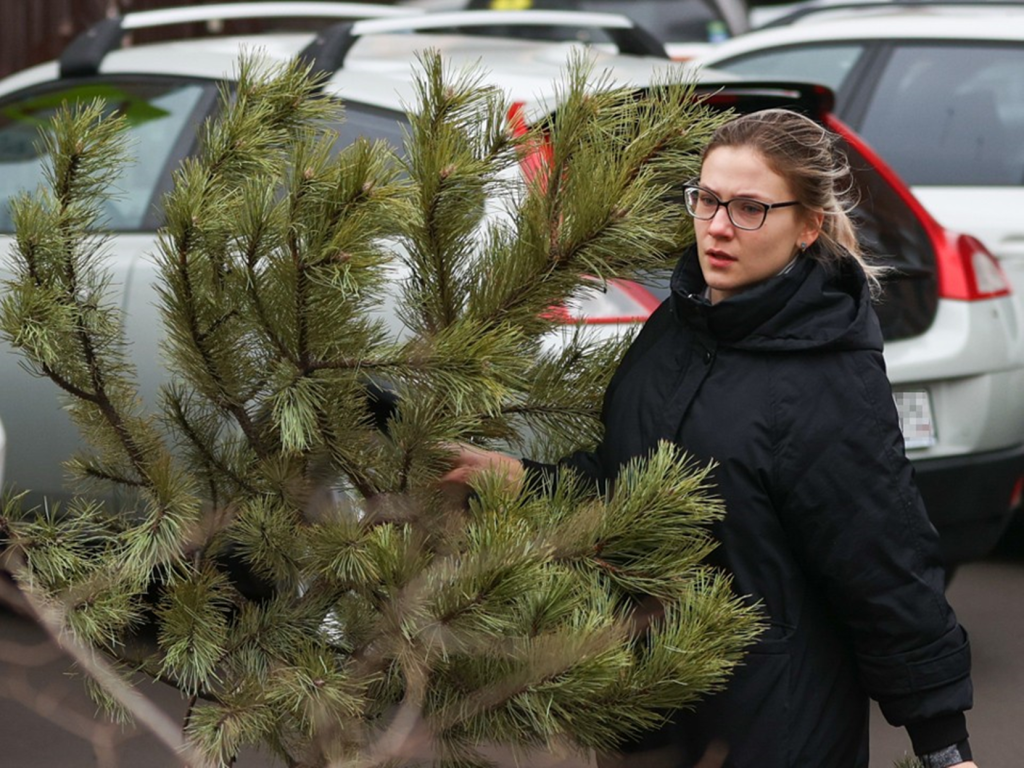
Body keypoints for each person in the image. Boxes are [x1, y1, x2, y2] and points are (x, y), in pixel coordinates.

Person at [441, 108, 977, 768]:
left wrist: (943, 747)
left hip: (770, 729)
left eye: (750, 208)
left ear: (807, 225)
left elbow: (883, 563)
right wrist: (521, 480)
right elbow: (628, 491)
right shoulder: (677, 326)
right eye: (708, 200)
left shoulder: (826, 379)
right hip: (646, 714)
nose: (719, 227)